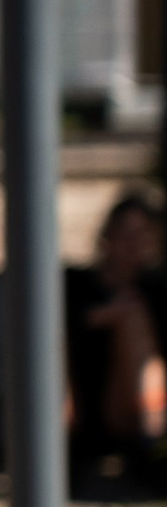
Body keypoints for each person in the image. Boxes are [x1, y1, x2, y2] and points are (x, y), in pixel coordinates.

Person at [66, 191, 166, 460]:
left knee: (133, 318)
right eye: (126, 233)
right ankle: (153, 440)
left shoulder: (155, 290)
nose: (135, 243)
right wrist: (102, 316)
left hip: (136, 406)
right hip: (88, 405)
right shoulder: (75, 286)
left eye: (144, 234)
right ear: (107, 236)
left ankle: (152, 436)